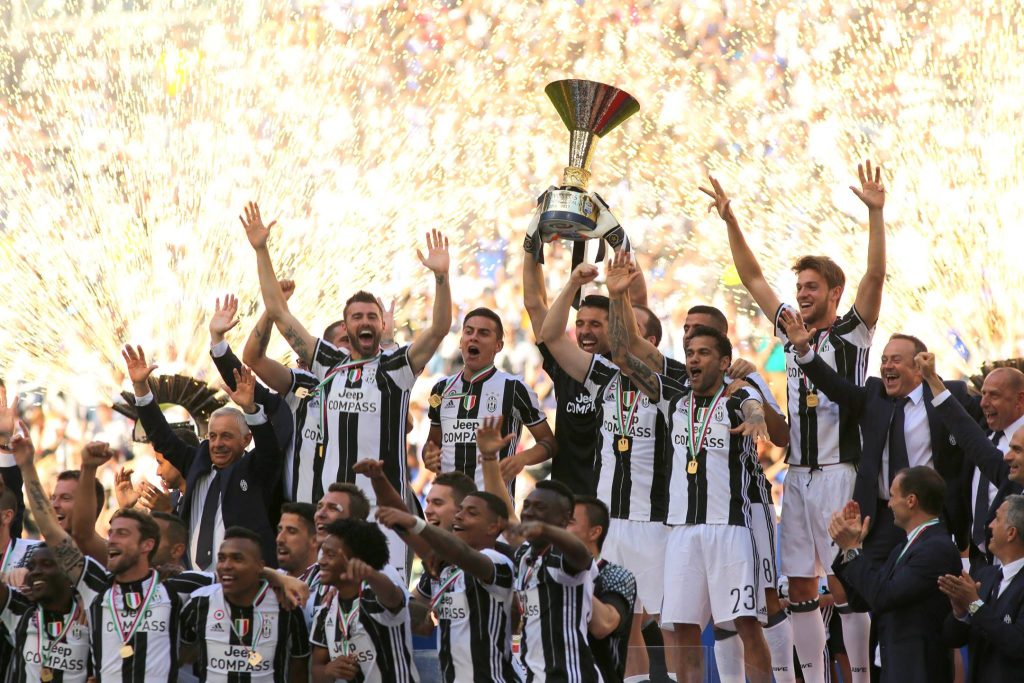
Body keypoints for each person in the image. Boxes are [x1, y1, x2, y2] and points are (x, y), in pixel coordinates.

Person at [709, 163, 887, 683]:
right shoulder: (790, 332)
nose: (802, 294)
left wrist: (875, 214)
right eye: (800, 287)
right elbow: (753, 278)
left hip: (839, 472)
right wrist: (731, 221)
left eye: (812, 287)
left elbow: (875, 276)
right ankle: (809, 677)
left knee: (844, 581)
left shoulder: (853, 332)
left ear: (835, 292)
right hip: (799, 475)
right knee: (801, 586)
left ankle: (859, 676)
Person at [606, 251, 794, 682]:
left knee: (748, 623)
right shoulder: (672, 396)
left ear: (723, 361)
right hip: (681, 532)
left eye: (703, 352)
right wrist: (617, 297)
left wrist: (757, 413)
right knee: (684, 632)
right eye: (689, 351)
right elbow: (624, 353)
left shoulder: (738, 393)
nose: (693, 358)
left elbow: (763, 419)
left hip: (730, 529)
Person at [242, 202, 451, 577]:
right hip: (333, 513)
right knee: (329, 593)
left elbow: (438, 329)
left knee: (384, 595)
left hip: (385, 511)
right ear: (347, 325)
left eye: (372, 316)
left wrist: (441, 277)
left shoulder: (396, 368)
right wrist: (261, 250)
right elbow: (279, 311)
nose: (364, 321)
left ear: (382, 325)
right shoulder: (327, 363)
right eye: (357, 317)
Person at [782, 313, 981, 564]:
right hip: (883, 516)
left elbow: (984, 427)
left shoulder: (947, 395)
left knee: (927, 580)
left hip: (930, 515)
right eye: (884, 360)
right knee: (866, 581)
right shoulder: (874, 396)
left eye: (896, 360)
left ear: (918, 367)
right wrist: (804, 351)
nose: (887, 366)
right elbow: (834, 386)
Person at [123, 345, 285, 569]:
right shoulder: (197, 462)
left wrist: (251, 409)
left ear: (246, 439)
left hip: (243, 579)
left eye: (226, 436)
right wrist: (141, 387)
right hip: (195, 581)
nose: (217, 444)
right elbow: (161, 435)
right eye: (213, 436)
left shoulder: (255, 470)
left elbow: (269, 450)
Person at [523, 231, 647, 495]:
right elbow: (534, 304)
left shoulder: (627, 368)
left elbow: (640, 304)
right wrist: (531, 242)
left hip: (613, 501)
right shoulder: (564, 362)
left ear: (613, 326)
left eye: (595, 324)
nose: (585, 331)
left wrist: (617, 235)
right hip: (567, 497)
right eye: (579, 324)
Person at [829, 467, 961, 683]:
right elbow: (862, 599)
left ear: (911, 501)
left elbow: (884, 596)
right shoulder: (904, 547)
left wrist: (852, 551)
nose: (889, 504)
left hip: (917, 671)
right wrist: (852, 548)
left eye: (892, 496)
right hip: (891, 667)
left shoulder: (936, 548)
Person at [377, 482, 518, 682]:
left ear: (493, 526)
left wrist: (415, 522)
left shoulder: (497, 562)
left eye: (471, 513)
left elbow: (461, 552)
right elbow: (404, 527)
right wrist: (378, 478)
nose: (459, 516)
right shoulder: (443, 567)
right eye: (459, 510)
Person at [422, 306, 556, 489]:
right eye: (469, 331)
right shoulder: (440, 389)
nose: (474, 337)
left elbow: (549, 443)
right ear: (461, 341)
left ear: (498, 346)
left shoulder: (514, 388)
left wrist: (522, 458)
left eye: (483, 333)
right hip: (447, 500)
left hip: (492, 501)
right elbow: (432, 443)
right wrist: (428, 455)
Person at [918, 354, 1024, 565]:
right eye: (983, 394)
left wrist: (932, 379)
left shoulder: (998, 459)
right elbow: (963, 427)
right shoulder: (985, 432)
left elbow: (966, 431)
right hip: (980, 561)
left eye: (994, 395)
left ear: (1020, 399)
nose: (984, 402)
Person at [181, 527, 311, 682]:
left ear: (260, 566)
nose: (226, 565)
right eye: (221, 558)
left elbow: (299, 669)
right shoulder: (198, 603)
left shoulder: (285, 607)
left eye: (237, 559)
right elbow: (182, 655)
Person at [512, 479, 601, 682]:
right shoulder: (523, 555)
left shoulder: (561, 556)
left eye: (540, 507)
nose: (529, 513)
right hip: (533, 676)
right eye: (527, 505)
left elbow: (581, 556)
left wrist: (545, 529)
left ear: (564, 520)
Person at [310, 518, 419, 682]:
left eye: (330, 555)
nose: (321, 561)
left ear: (356, 561)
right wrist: (329, 670)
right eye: (322, 553)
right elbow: (317, 669)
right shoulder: (326, 609)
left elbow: (392, 597)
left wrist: (369, 573)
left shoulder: (376, 598)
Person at [941, 494, 1024, 682]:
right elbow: (952, 639)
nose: (990, 525)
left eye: (997, 519)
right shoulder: (985, 576)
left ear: (1011, 533)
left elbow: (1017, 644)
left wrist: (974, 604)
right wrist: (960, 613)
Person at [568, 495, 637, 683]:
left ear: (594, 532)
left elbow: (604, 626)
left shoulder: (616, 575)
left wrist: (571, 577)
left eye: (569, 522)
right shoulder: (540, 568)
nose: (558, 529)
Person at [0, 544, 91, 683]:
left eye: (47, 564)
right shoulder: (22, 611)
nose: (35, 572)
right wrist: (5, 577)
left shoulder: (91, 615)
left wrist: (83, 594)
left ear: (70, 574)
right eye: (30, 567)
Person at [276, 502, 319, 580]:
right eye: (280, 530)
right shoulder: (271, 580)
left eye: (291, 531)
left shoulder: (327, 584)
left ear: (314, 540)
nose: (279, 539)